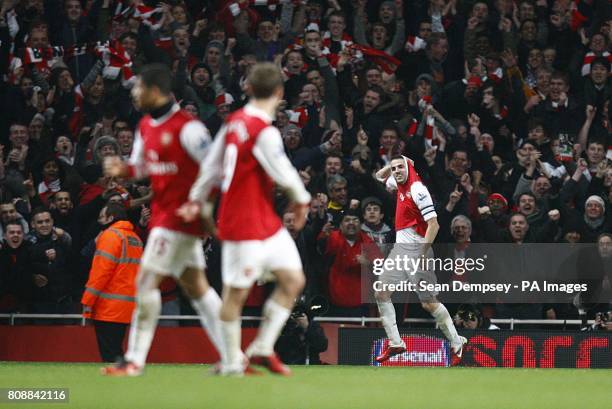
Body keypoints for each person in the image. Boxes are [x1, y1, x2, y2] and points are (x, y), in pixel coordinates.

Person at [179, 62, 311, 376]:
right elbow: (286, 174)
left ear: (248, 89)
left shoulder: (233, 123)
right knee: (235, 296)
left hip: (265, 220)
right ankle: (230, 361)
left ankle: (263, 348)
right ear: (280, 93)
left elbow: (210, 167)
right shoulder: (263, 132)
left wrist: (196, 200)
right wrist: (302, 202)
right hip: (243, 224)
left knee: (294, 280)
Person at [100, 64, 224, 376]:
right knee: (198, 290)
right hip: (164, 215)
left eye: (139, 89)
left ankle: (134, 360)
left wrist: (199, 206)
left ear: (155, 91)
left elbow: (215, 170)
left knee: (145, 282)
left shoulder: (189, 128)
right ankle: (235, 357)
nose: (135, 94)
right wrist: (123, 171)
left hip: (178, 219)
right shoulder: (145, 125)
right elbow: (142, 167)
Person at [373, 155, 467, 366]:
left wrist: (422, 253)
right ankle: (396, 342)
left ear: (409, 168)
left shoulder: (418, 189)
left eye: (400, 167)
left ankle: (456, 342)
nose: (396, 171)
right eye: (394, 168)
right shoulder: (399, 182)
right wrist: (393, 165)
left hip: (418, 248)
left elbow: (434, 225)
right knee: (381, 291)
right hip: (400, 249)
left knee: (429, 303)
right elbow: (380, 177)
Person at [81, 203, 143, 362]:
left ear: (111, 218)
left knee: (110, 354)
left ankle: (120, 384)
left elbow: (100, 273)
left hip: (108, 307)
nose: (99, 221)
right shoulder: (134, 238)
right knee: (115, 350)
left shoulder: (110, 236)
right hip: (127, 305)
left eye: (102, 217)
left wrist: (87, 301)